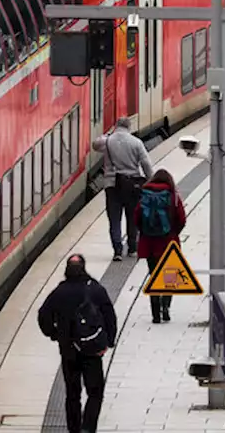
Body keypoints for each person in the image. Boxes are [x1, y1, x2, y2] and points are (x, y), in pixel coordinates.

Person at [38, 254, 117, 433]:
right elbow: (110, 316)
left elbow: (43, 316)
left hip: (68, 351)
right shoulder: (95, 289)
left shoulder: (59, 292)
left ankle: (74, 429)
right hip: (92, 349)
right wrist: (108, 341)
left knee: (72, 394)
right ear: (84, 268)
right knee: (95, 392)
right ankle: (88, 428)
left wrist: (55, 334)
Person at [92, 118, 153, 261]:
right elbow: (146, 164)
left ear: (116, 126)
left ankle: (117, 251)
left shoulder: (107, 141)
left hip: (112, 186)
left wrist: (107, 135)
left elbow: (95, 145)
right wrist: (152, 181)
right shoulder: (136, 143)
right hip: (133, 186)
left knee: (114, 219)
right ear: (129, 127)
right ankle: (132, 248)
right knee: (132, 217)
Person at [133, 169, 187, 324]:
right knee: (169, 278)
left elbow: (137, 217)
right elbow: (182, 219)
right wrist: (173, 232)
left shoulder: (145, 195)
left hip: (149, 244)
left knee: (154, 277)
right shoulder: (173, 196)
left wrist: (145, 232)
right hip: (169, 243)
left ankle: (155, 314)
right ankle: (166, 309)